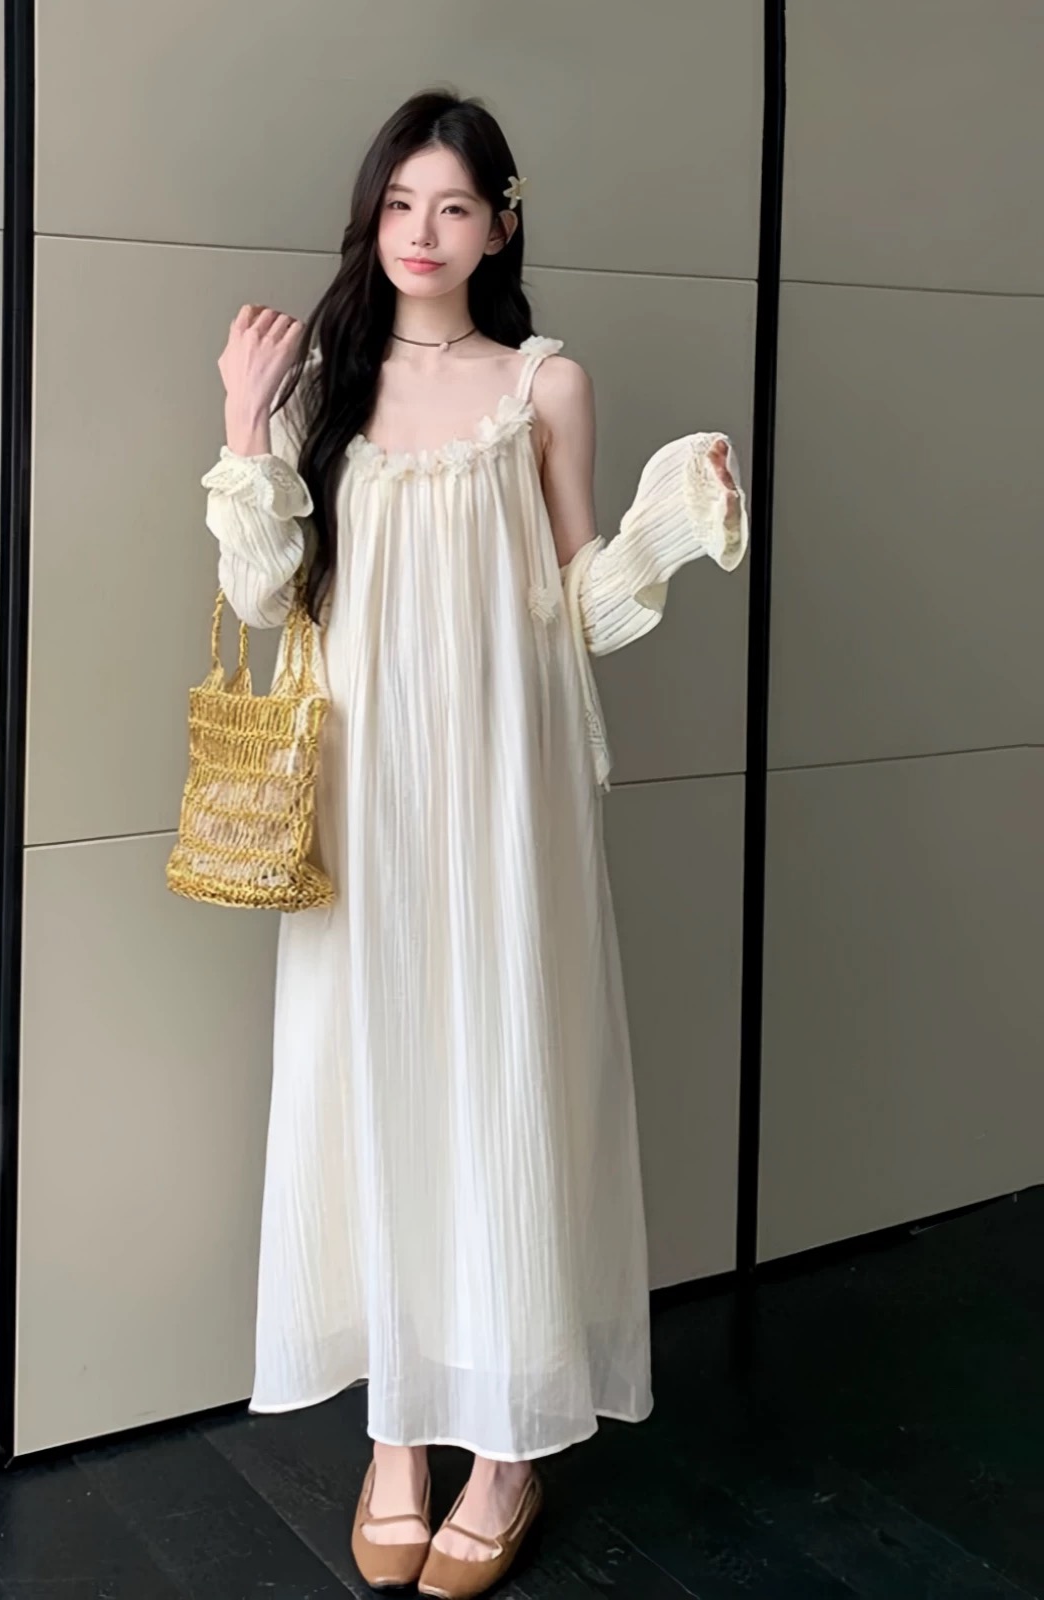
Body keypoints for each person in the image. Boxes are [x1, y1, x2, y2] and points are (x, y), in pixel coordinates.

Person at [201, 89, 746, 1600]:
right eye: (399, 204)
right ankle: (398, 1433)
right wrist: (244, 422)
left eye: (451, 206)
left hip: (511, 792)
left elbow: (576, 606)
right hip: (361, 793)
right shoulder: (322, 386)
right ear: (371, 218)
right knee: (374, 1077)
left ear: (501, 223)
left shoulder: (543, 385)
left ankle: (505, 1447)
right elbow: (261, 598)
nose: (422, 233)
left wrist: (668, 523)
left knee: (510, 1077)